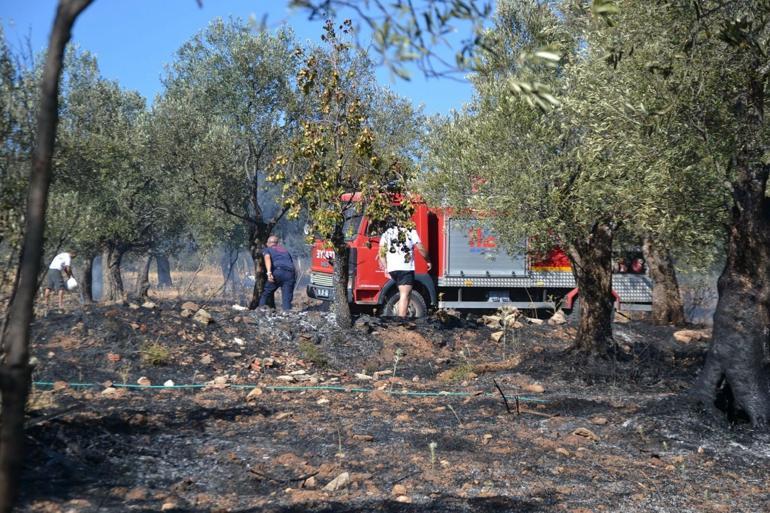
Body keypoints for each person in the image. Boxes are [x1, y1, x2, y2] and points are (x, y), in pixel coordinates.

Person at [378, 223, 431, 317]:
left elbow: (381, 252)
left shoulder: (387, 232)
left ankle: (400, 318)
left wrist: (386, 267)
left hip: (392, 268)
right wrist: (428, 260)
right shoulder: (410, 231)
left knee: (404, 293)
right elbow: (420, 248)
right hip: (405, 268)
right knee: (405, 295)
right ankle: (401, 321)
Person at [258, 235, 296, 310]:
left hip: (278, 272)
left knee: (266, 293)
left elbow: (267, 257)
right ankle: (286, 315)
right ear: (277, 243)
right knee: (286, 298)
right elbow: (291, 264)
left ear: (268, 243)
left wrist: (269, 273)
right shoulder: (285, 251)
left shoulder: (267, 249)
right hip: (290, 274)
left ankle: (260, 311)